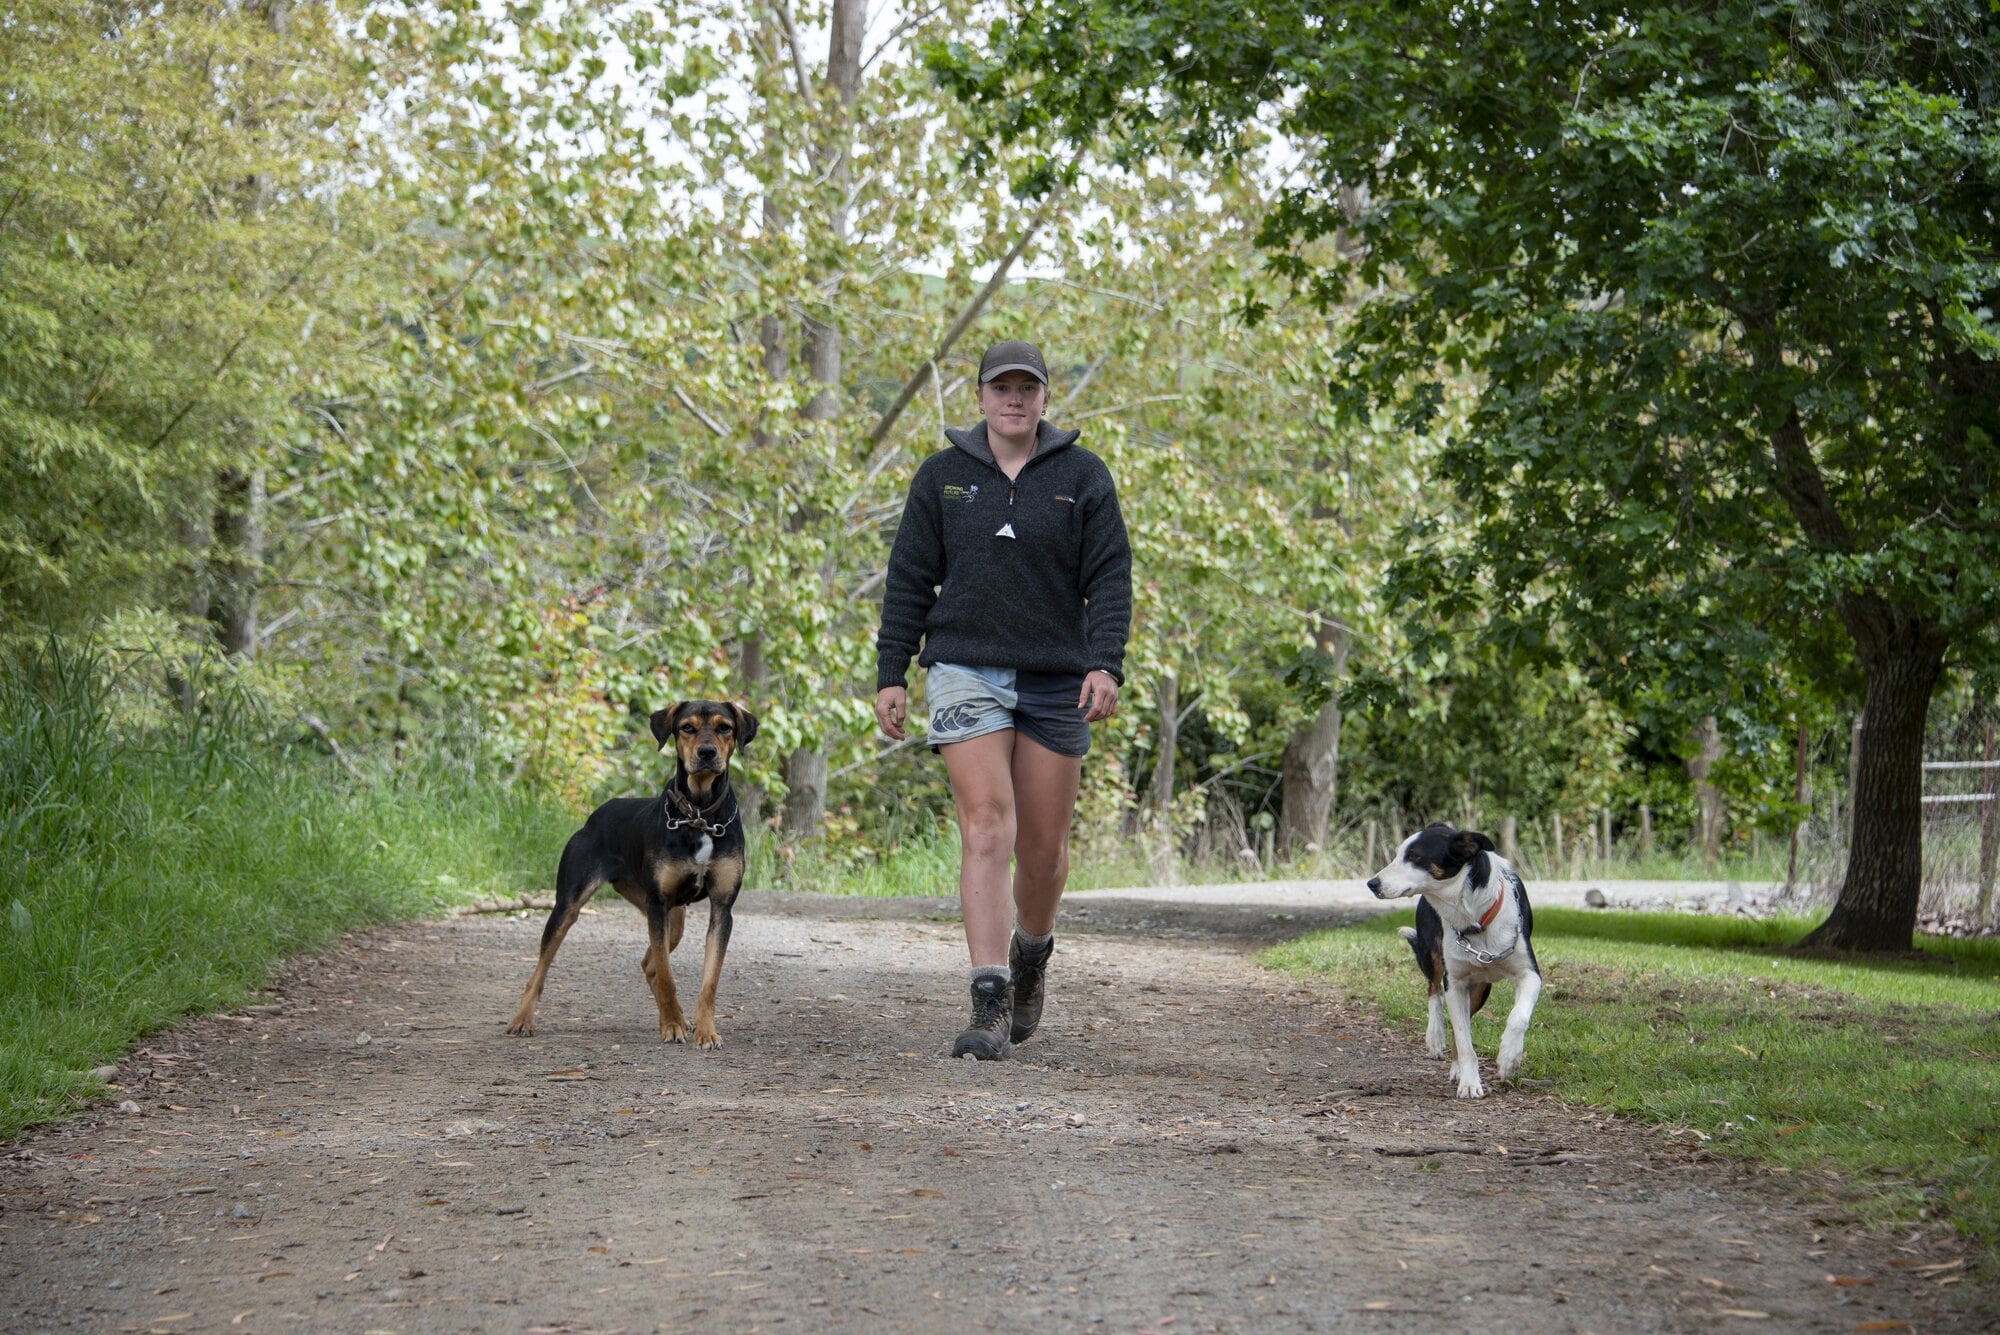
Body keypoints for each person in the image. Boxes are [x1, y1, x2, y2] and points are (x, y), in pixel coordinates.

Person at [874, 339, 1133, 1060]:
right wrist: (891, 670)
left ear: (1047, 397)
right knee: (987, 827)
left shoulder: (1083, 476)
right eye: (1001, 387)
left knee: (1044, 853)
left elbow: (1110, 577)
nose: (1014, 399)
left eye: (1028, 387)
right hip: (964, 667)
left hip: (1056, 676)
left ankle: (1031, 952)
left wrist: (1105, 663)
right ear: (981, 396)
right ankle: (987, 997)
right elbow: (908, 578)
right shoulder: (943, 477)